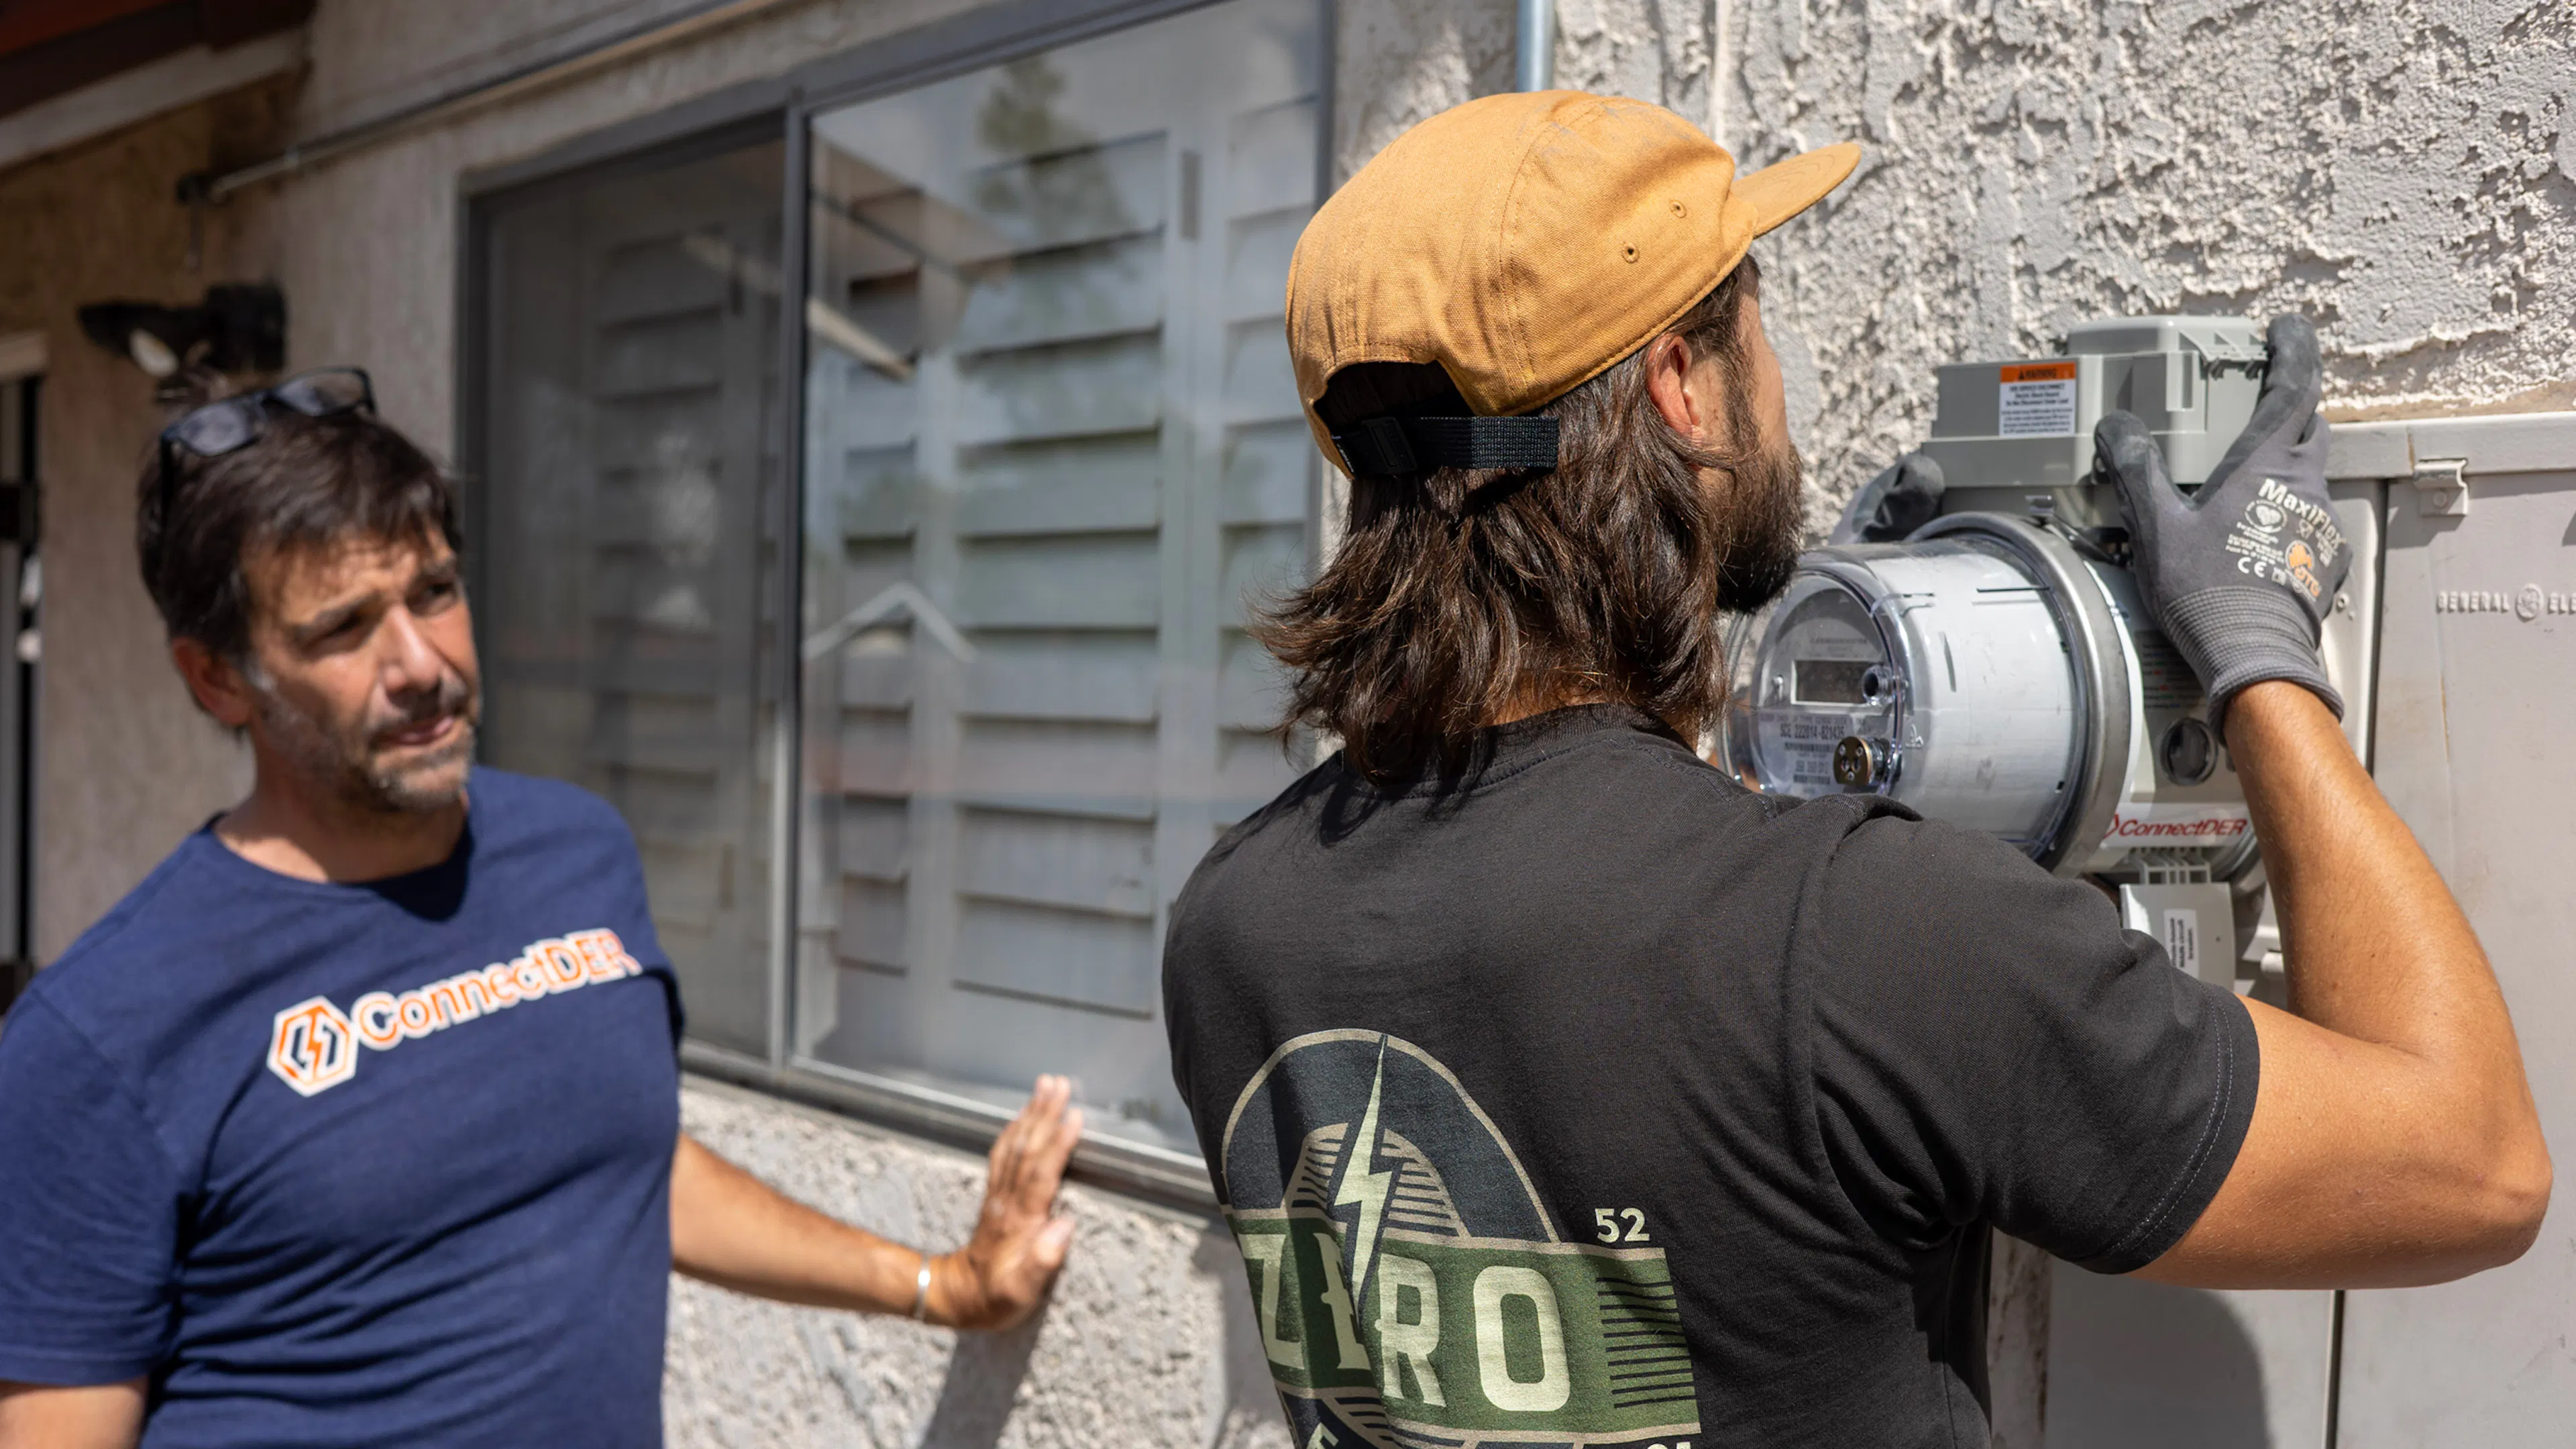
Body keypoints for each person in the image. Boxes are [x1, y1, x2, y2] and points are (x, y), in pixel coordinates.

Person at [1161, 91, 2550, 1447]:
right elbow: (2476, 1161)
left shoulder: (1235, 926)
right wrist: (2262, 661)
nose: (1784, 391)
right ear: (1680, 388)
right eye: (1759, 331)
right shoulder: (1863, 944)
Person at [0, 372, 1083, 1448]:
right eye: (342, 629)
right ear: (217, 680)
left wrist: (946, 1284)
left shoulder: (573, 854)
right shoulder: (102, 1034)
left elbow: (618, 1156)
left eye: (433, 592)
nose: (421, 665)